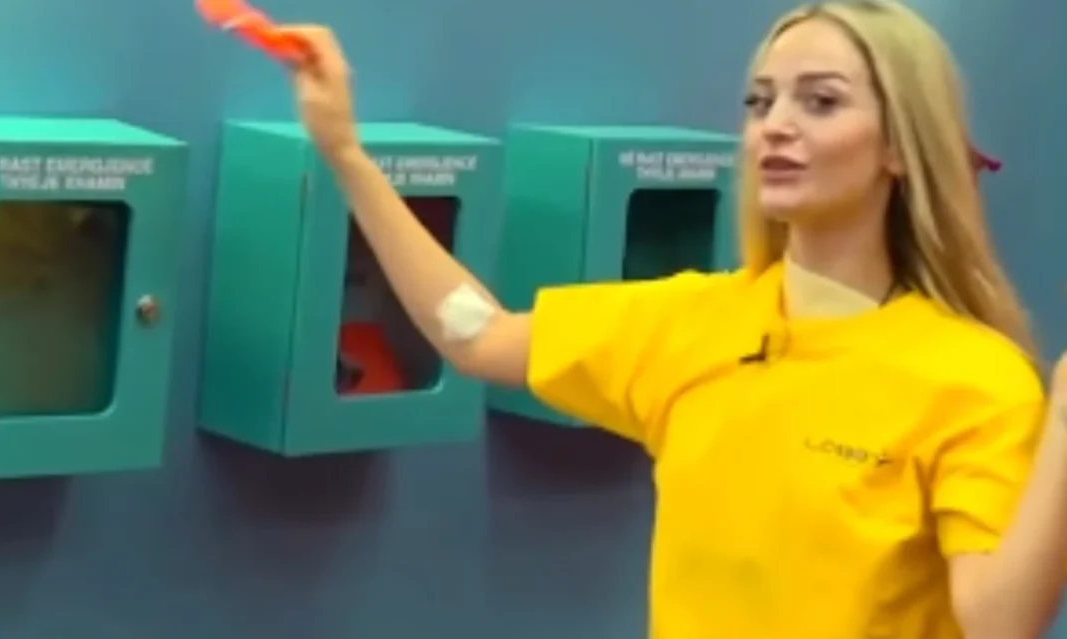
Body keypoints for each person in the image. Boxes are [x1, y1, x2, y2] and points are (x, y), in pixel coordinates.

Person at [278, 1, 1067, 636]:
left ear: (900, 145)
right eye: (760, 102)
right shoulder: (693, 321)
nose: (775, 125)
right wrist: (346, 151)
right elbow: (475, 334)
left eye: (821, 101)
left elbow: (999, 622)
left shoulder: (973, 381)